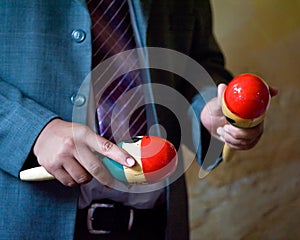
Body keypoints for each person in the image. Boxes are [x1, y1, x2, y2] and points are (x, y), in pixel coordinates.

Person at [0, 0, 276, 239]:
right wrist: (33, 130)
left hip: (156, 224)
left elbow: (198, 63)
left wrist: (209, 107)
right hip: (28, 219)